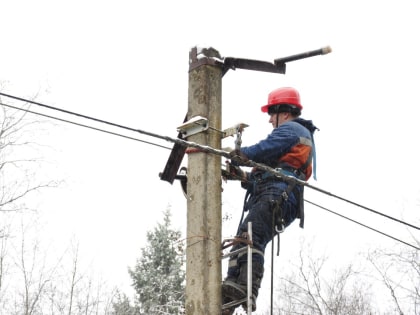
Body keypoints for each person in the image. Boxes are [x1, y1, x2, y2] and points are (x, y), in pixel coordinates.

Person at [222, 87, 318, 314]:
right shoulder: (290, 139)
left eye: (271, 114)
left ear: (283, 113)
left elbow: (264, 149)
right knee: (243, 238)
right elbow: (266, 170)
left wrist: (241, 154)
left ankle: (247, 289)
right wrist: (243, 176)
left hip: (280, 193)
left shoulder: (292, 129)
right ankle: (229, 293)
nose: (269, 120)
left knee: (251, 236)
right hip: (276, 192)